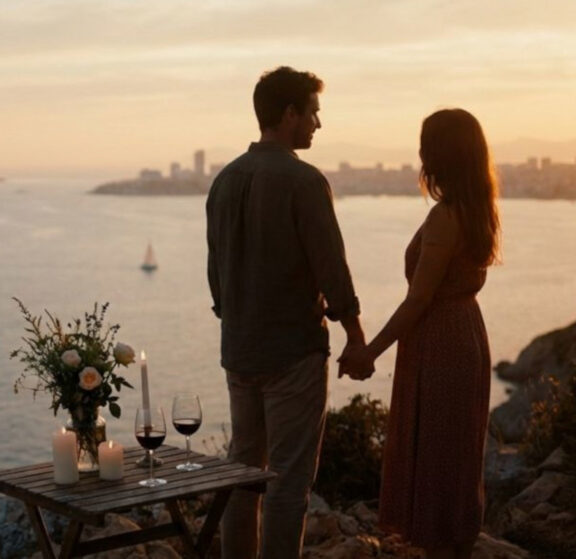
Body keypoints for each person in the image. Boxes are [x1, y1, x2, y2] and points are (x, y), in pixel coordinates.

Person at [206, 66, 369, 559]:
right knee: (287, 484)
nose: (318, 124)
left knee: (243, 474)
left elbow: (216, 275)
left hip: (239, 353)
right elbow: (332, 271)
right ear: (289, 113)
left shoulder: (224, 181)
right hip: (292, 357)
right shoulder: (303, 181)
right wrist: (356, 337)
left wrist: (236, 318)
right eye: (313, 112)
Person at [340, 108, 500, 559]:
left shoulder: (445, 218)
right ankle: (453, 537)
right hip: (467, 333)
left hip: (441, 343)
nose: (419, 154)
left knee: (433, 448)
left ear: (439, 154)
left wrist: (368, 351)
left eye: (425, 144)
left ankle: (435, 542)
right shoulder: (476, 209)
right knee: (455, 448)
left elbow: (418, 300)